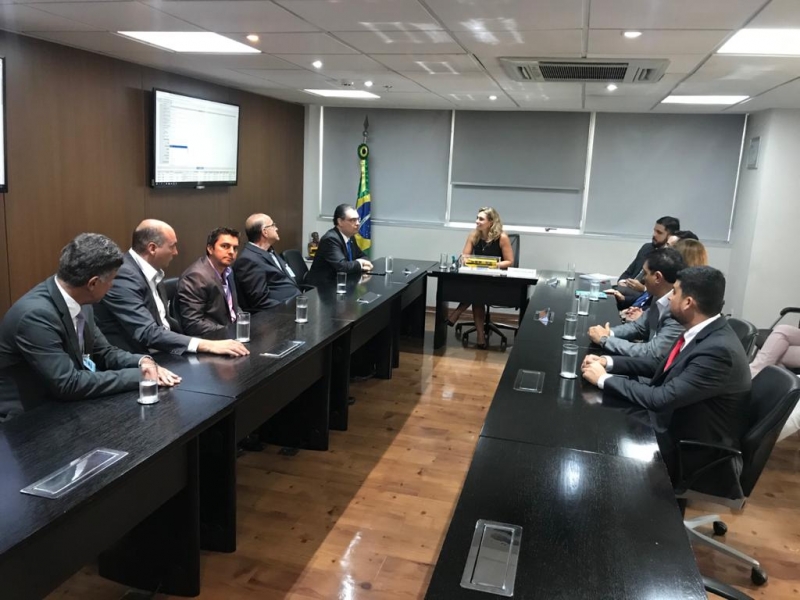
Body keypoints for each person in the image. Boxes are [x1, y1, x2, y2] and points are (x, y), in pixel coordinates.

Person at [582, 266, 751, 494]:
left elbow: (661, 398)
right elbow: (657, 367)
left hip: (691, 451)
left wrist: (604, 380)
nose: (669, 297)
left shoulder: (718, 351)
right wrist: (608, 363)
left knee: (601, 442)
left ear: (688, 303)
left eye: (675, 293)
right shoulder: (701, 330)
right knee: (601, 420)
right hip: (676, 423)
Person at [0, 233, 180, 421]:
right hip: (27, 422)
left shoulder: (82, 299)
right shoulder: (35, 316)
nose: (112, 286)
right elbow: (68, 383)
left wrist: (142, 362)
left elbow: (104, 352)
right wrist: (140, 376)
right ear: (93, 283)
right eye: (112, 280)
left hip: (67, 408)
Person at [94, 219, 249, 357]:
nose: (176, 252)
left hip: (166, 348)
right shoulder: (123, 276)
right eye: (172, 246)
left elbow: (166, 322)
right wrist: (206, 345)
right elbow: (147, 332)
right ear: (152, 248)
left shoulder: (153, 271)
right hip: (138, 357)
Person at [588, 248, 685, 359]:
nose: (642, 278)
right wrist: (609, 332)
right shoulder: (658, 296)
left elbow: (651, 352)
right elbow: (639, 327)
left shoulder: (678, 311)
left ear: (657, 277)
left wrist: (605, 340)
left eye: (645, 273)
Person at [446, 207, 514, 349]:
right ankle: (480, 336)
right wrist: (470, 261)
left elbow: (509, 261)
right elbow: (464, 257)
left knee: (477, 293)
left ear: (491, 222)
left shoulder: (502, 237)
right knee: (477, 293)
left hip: (495, 279)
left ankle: (459, 313)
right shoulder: (473, 235)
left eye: (481, 219)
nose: (477, 221)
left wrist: (491, 265)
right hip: (478, 277)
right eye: (477, 218)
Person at [175, 227, 241, 338]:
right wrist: (229, 331)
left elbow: (233, 308)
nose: (231, 252)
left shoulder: (228, 271)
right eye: (225, 246)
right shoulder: (196, 277)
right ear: (210, 249)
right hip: (211, 340)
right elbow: (193, 324)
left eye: (235, 248)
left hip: (232, 335)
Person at [233, 213, 302, 311]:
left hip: (296, 304)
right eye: (273, 225)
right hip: (279, 314)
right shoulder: (249, 260)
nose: (276, 228)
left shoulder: (269, 251)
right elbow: (260, 301)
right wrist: (287, 309)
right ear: (265, 232)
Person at [614, 216, 680, 308]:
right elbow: (628, 272)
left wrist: (643, 288)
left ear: (670, 236)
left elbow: (661, 293)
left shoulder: (667, 261)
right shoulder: (646, 248)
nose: (654, 235)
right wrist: (623, 282)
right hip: (626, 292)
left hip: (641, 300)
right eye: (654, 231)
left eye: (659, 233)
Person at [306, 204, 373, 286]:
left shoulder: (350, 237)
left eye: (358, 219)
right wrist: (359, 264)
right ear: (340, 222)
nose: (358, 223)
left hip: (342, 283)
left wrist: (362, 263)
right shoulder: (330, 239)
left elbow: (363, 256)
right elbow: (342, 267)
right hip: (323, 287)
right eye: (353, 220)